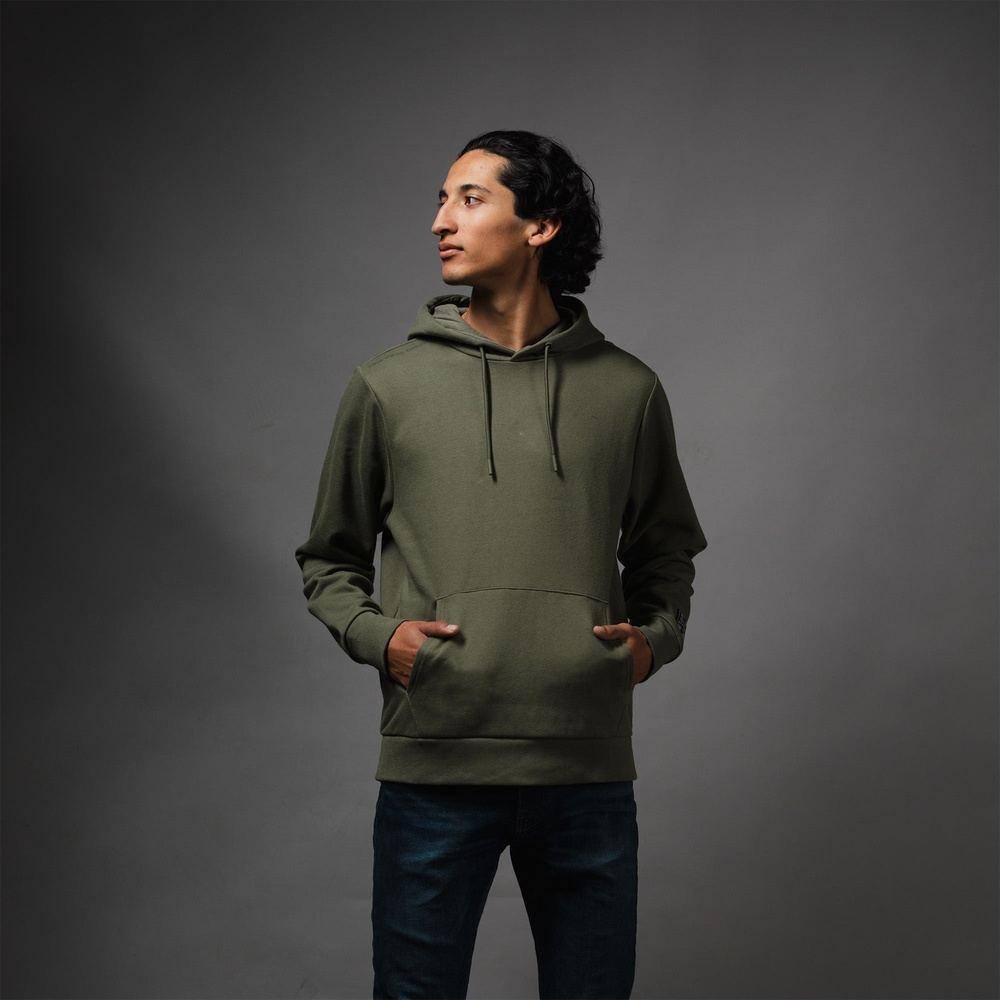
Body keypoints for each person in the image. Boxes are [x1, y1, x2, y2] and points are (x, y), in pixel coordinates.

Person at [294, 129, 708, 1000]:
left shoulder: (628, 391)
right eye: (441, 200)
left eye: (470, 199)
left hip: (585, 770)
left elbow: (667, 549)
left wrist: (652, 642)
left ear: (541, 225)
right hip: (435, 767)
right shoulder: (387, 386)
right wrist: (382, 640)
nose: (441, 221)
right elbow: (329, 558)